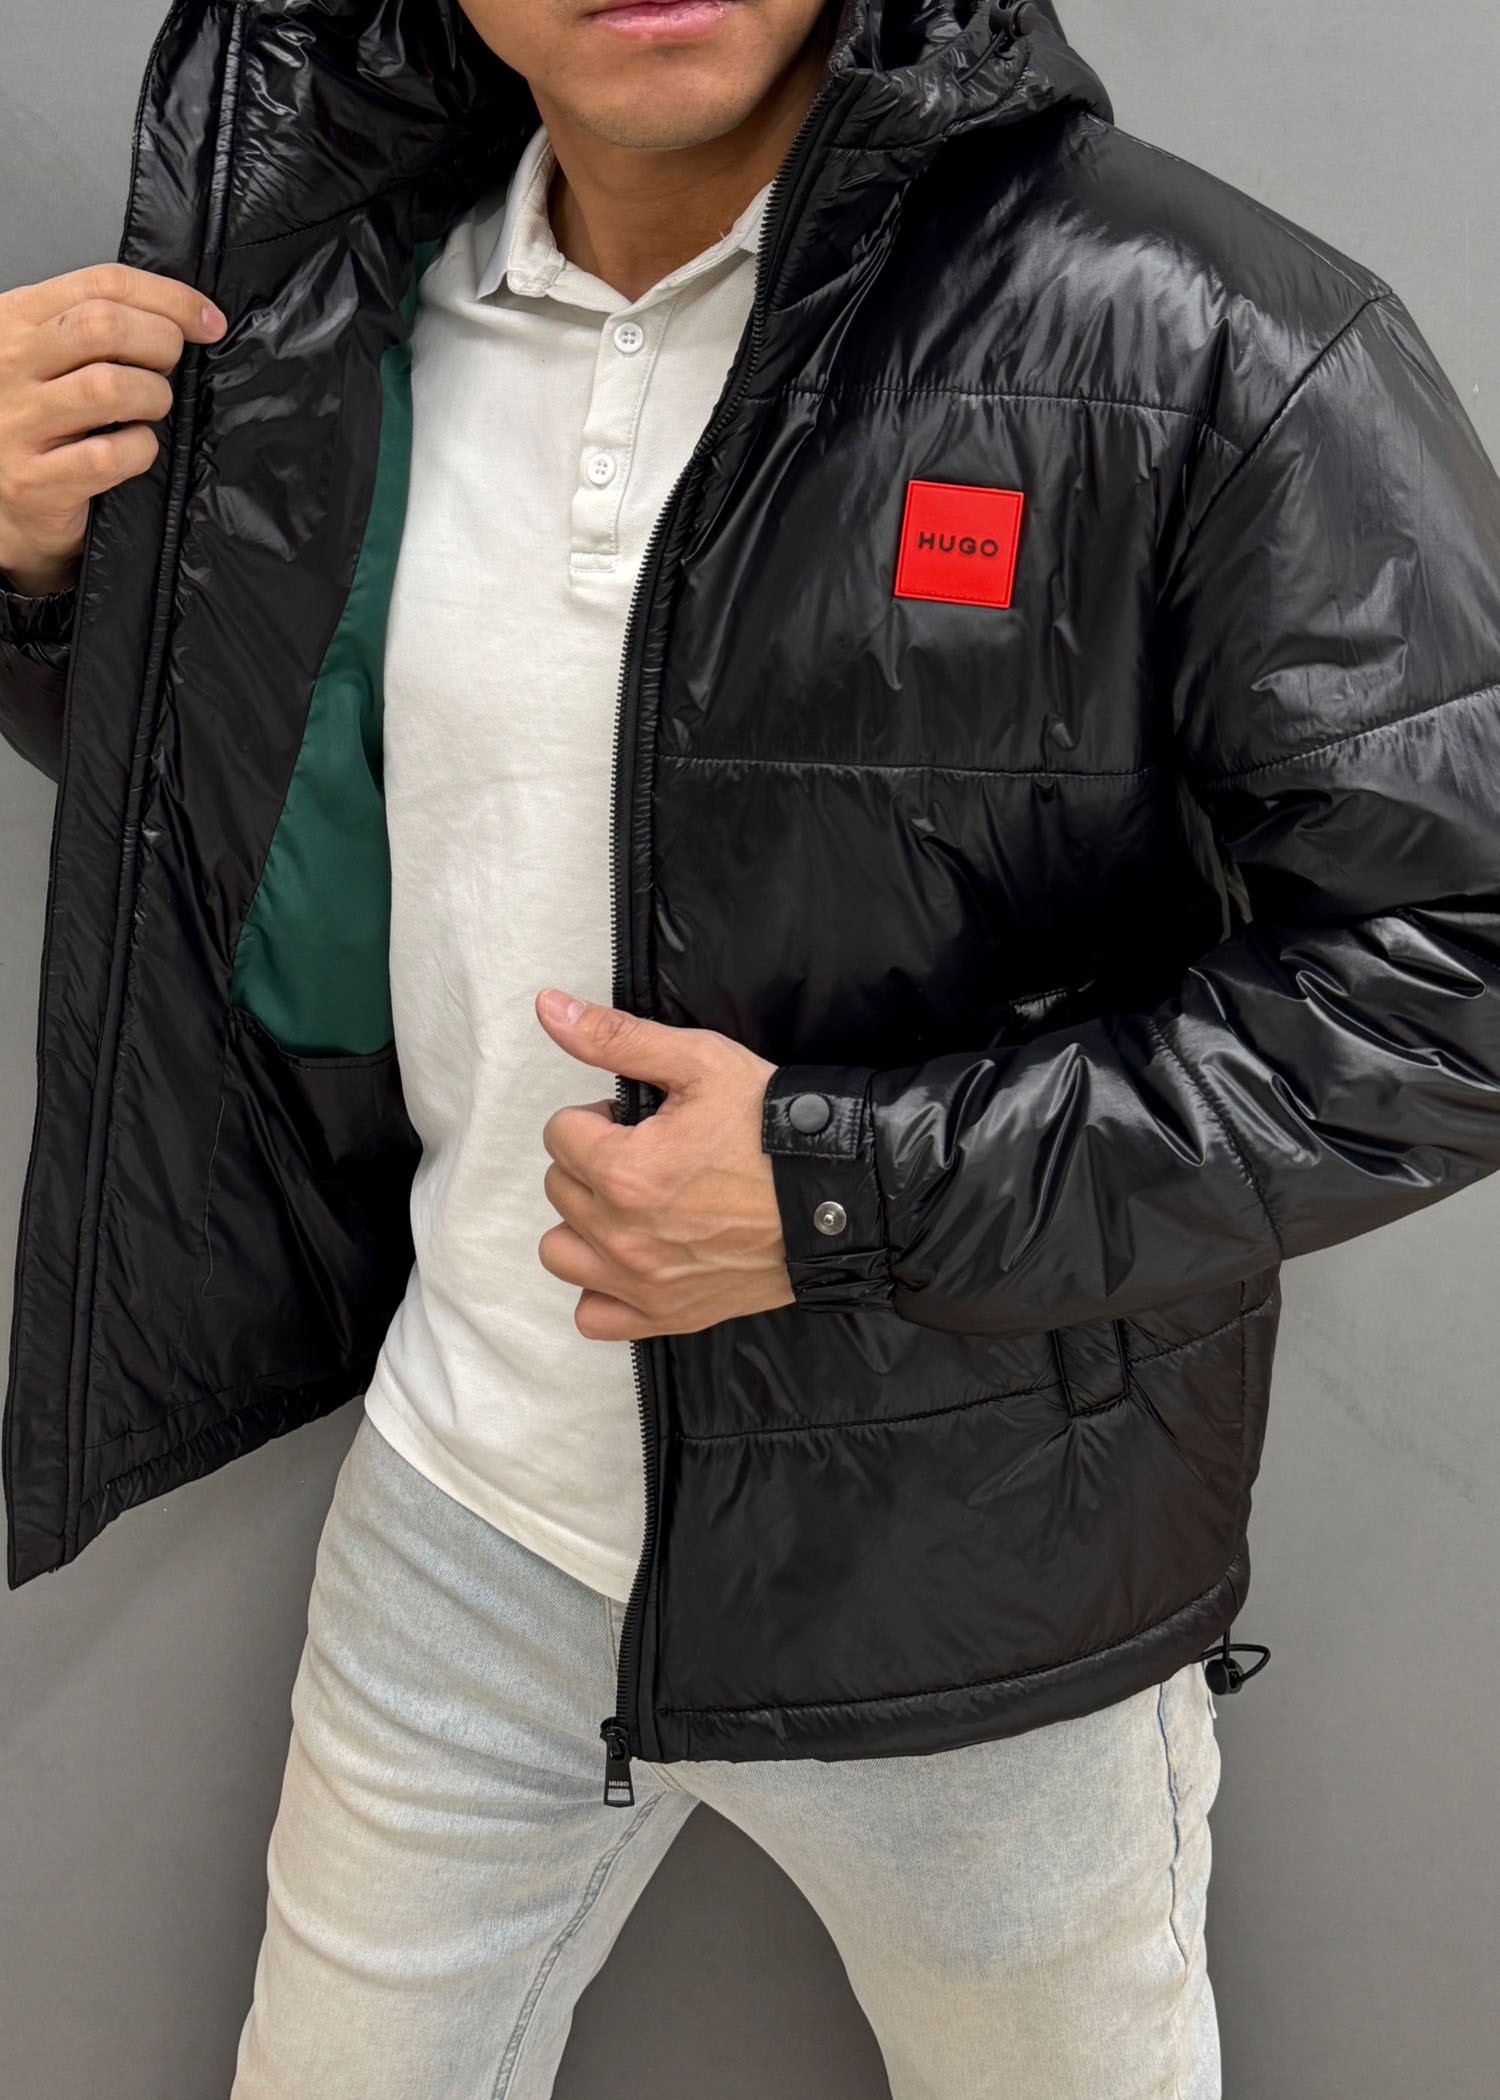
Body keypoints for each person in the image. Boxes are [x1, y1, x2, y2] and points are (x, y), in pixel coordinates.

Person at [2, 0, 1499, 2093]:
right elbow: (295, 823)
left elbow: (1460, 965)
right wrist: (52, 586)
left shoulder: (1196, 335)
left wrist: (842, 1193)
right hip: (466, 1519)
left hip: (983, 1587)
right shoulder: (331, 331)